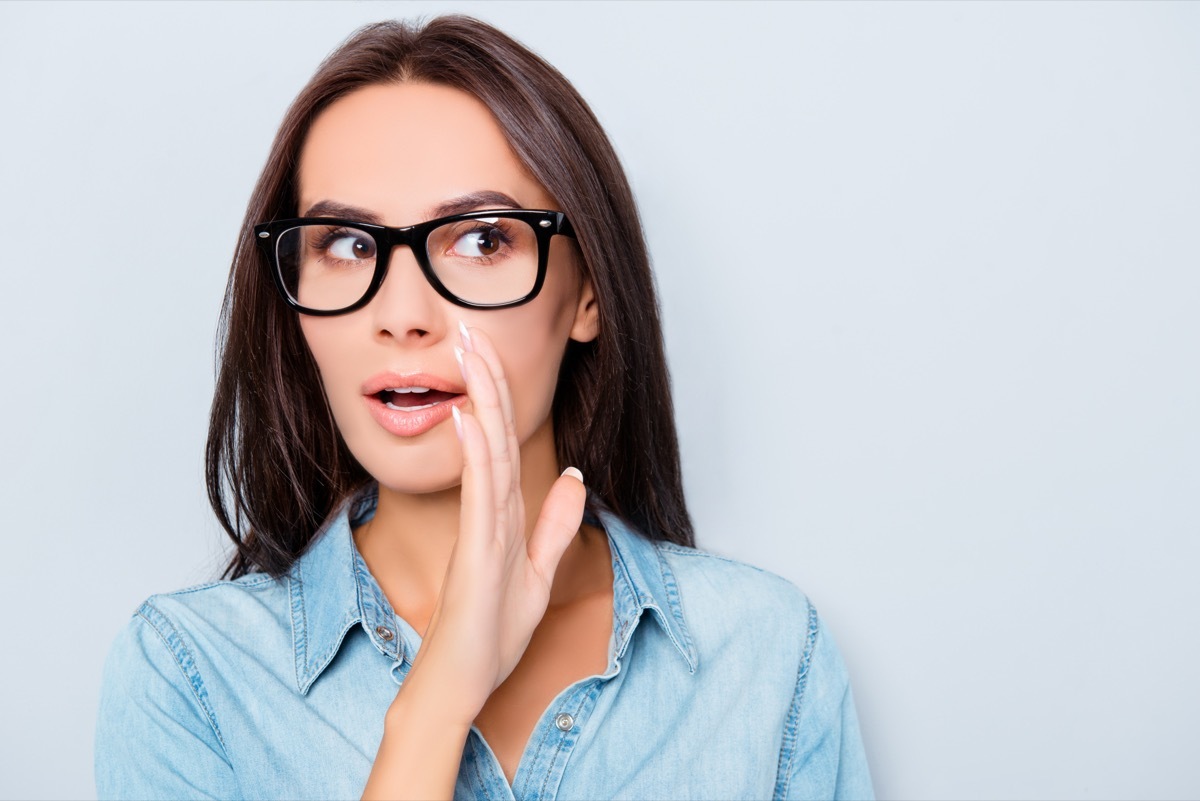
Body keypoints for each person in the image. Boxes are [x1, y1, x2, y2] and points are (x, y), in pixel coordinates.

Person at [94, 15, 873, 801]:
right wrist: (434, 707)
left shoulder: (767, 654)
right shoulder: (191, 676)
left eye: (481, 241)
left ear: (588, 291)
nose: (402, 315)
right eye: (347, 244)